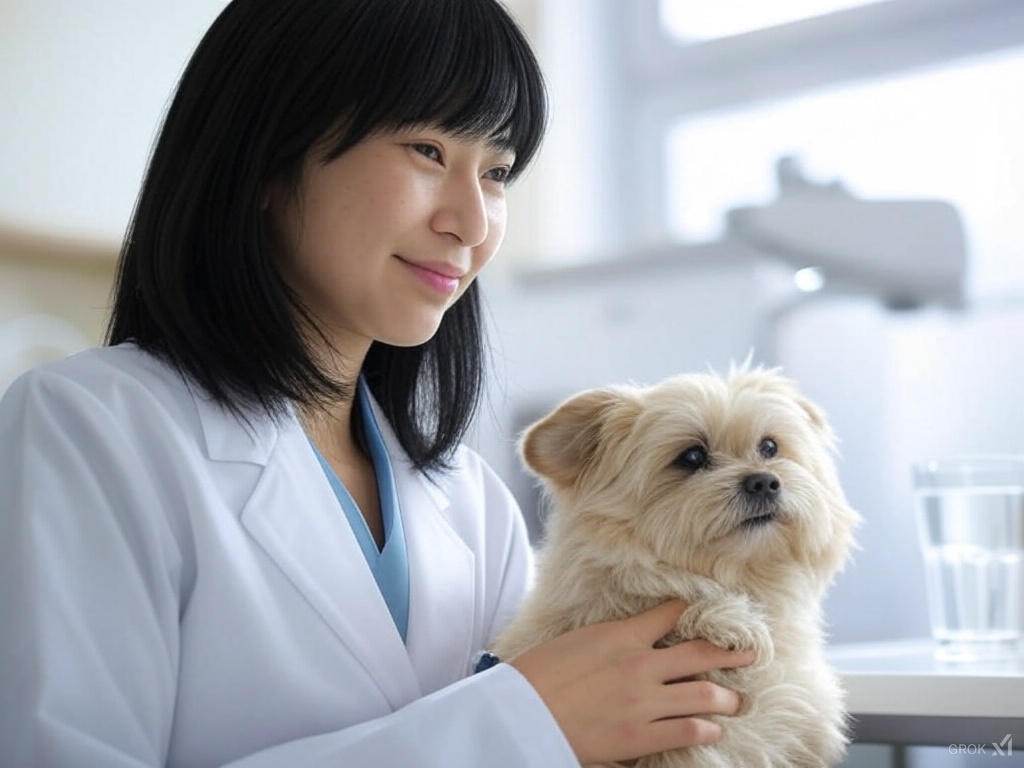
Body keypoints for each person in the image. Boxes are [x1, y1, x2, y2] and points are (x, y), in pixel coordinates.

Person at [0, 1, 753, 765]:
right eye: (427, 149)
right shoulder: (87, 428)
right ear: (264, 156)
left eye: (495, 172)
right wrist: (513, 728)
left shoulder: (471, 502)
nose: (472, 222)